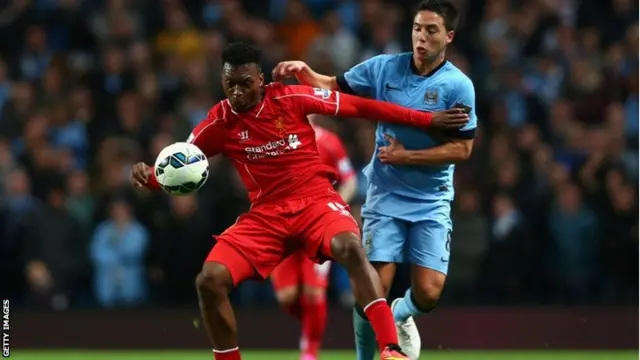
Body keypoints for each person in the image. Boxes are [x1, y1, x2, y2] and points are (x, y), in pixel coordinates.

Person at [131, 42, 469, 360]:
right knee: (209, 280)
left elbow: (361, 106)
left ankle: (390, 348)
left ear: (260, 80)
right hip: (266, 217)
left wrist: (428, 119)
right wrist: (152, 179)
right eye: (229, 83)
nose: (236, 92)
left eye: (244, 83)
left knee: (351, 248)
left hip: (315, 203)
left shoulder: (292, 98)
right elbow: (180, 169)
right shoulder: (218, 123)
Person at [272, 1, 476, 359]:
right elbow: (335, 86)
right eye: (417, 28)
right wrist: (307, 73)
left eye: (431, 31)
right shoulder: (385, 68)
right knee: (371, 289)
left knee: (428, 294)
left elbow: (462, 149)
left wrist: (407, 156)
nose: (421, 37)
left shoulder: (458, 86)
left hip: (432, 200)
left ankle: (400, 315)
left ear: (449, 37)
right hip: (385, 195)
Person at [270, 115, 357, 360]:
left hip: (316, 229)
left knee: (314, 291)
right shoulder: (273, 143)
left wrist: (333, 207)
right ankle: (312, 325)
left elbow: (350, 181)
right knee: (286, 296)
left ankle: (310, 350)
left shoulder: (329, 142)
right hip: (283, 229)